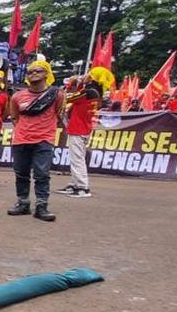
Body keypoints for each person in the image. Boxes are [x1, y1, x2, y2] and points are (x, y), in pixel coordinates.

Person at [7, 59, 62, 222]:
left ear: (47, 74)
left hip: (44, 140)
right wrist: (23, 130)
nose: (34, 74)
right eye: (30, 72)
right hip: (21, 140)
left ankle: (41, 206)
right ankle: (23, 203)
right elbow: (14, 117)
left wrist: (44, 130)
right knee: (21, 174)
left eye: (38, 71)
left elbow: (59, 116)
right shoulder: (17, 96)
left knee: (42, 174)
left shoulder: (57, 95)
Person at [58, 67, 111, 198]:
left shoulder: (88, 92)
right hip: (83, 128)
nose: (86, 75)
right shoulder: (94, 92)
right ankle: (75, 183)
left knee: (77, 159)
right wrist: (80, 83)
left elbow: (67, 98)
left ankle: (82, 186)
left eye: (89, 73)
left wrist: (72, 84)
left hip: (78, 129)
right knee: (77, 158)